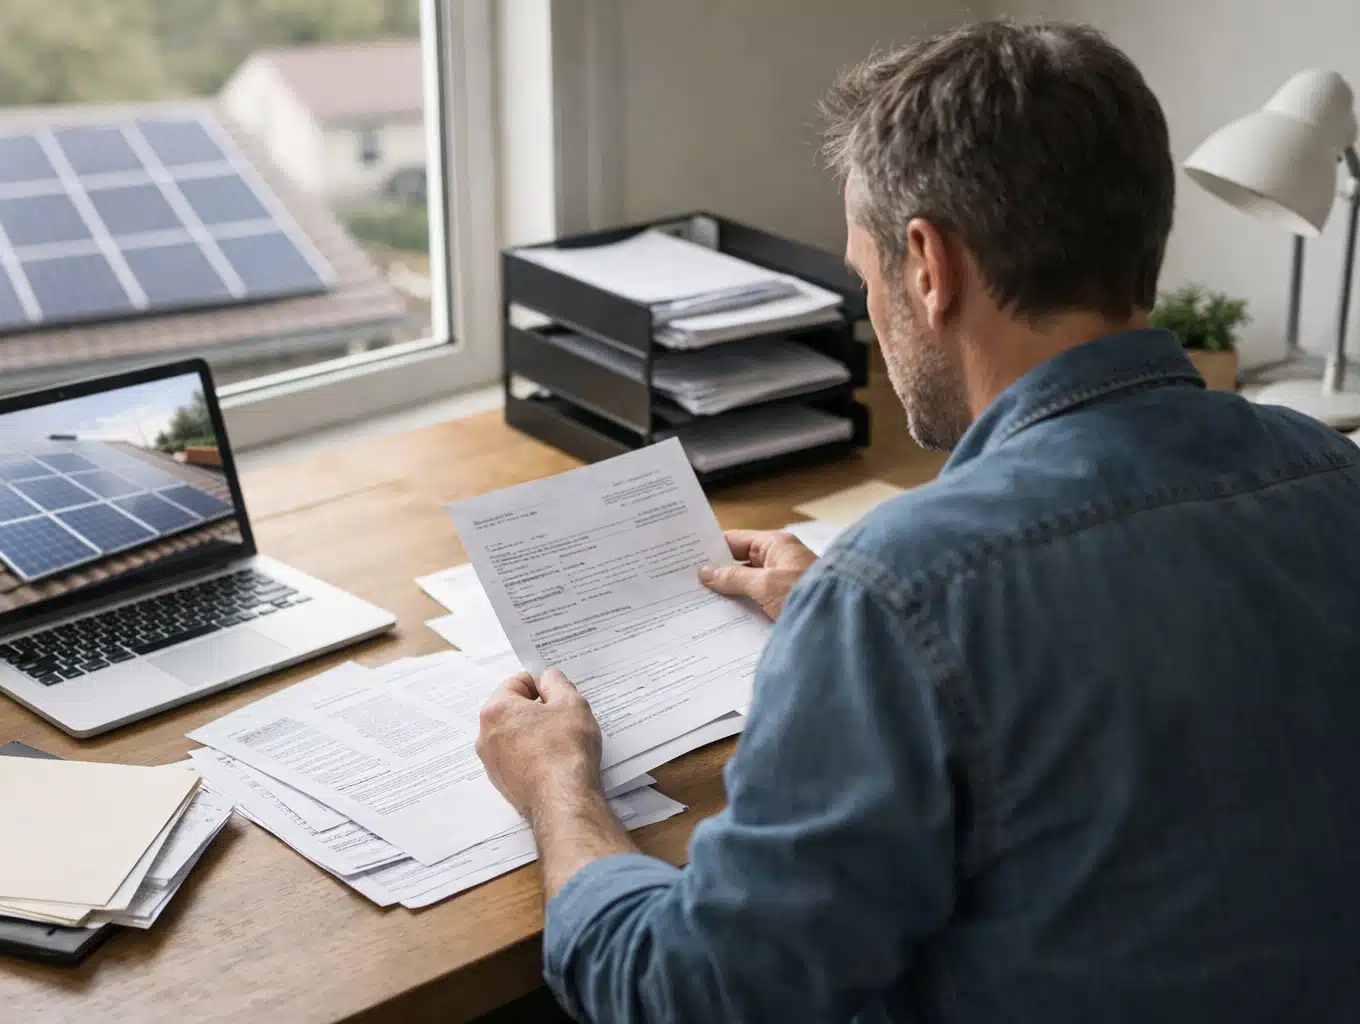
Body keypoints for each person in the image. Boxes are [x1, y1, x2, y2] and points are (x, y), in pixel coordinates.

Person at [476, 19, 1360, 1023]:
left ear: (928, 266)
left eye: (866, 279)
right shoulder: (1332, 475)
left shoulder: (898, 596)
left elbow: (693, 995)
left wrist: (559, 790)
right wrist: (875, 625)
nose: (874, 315)